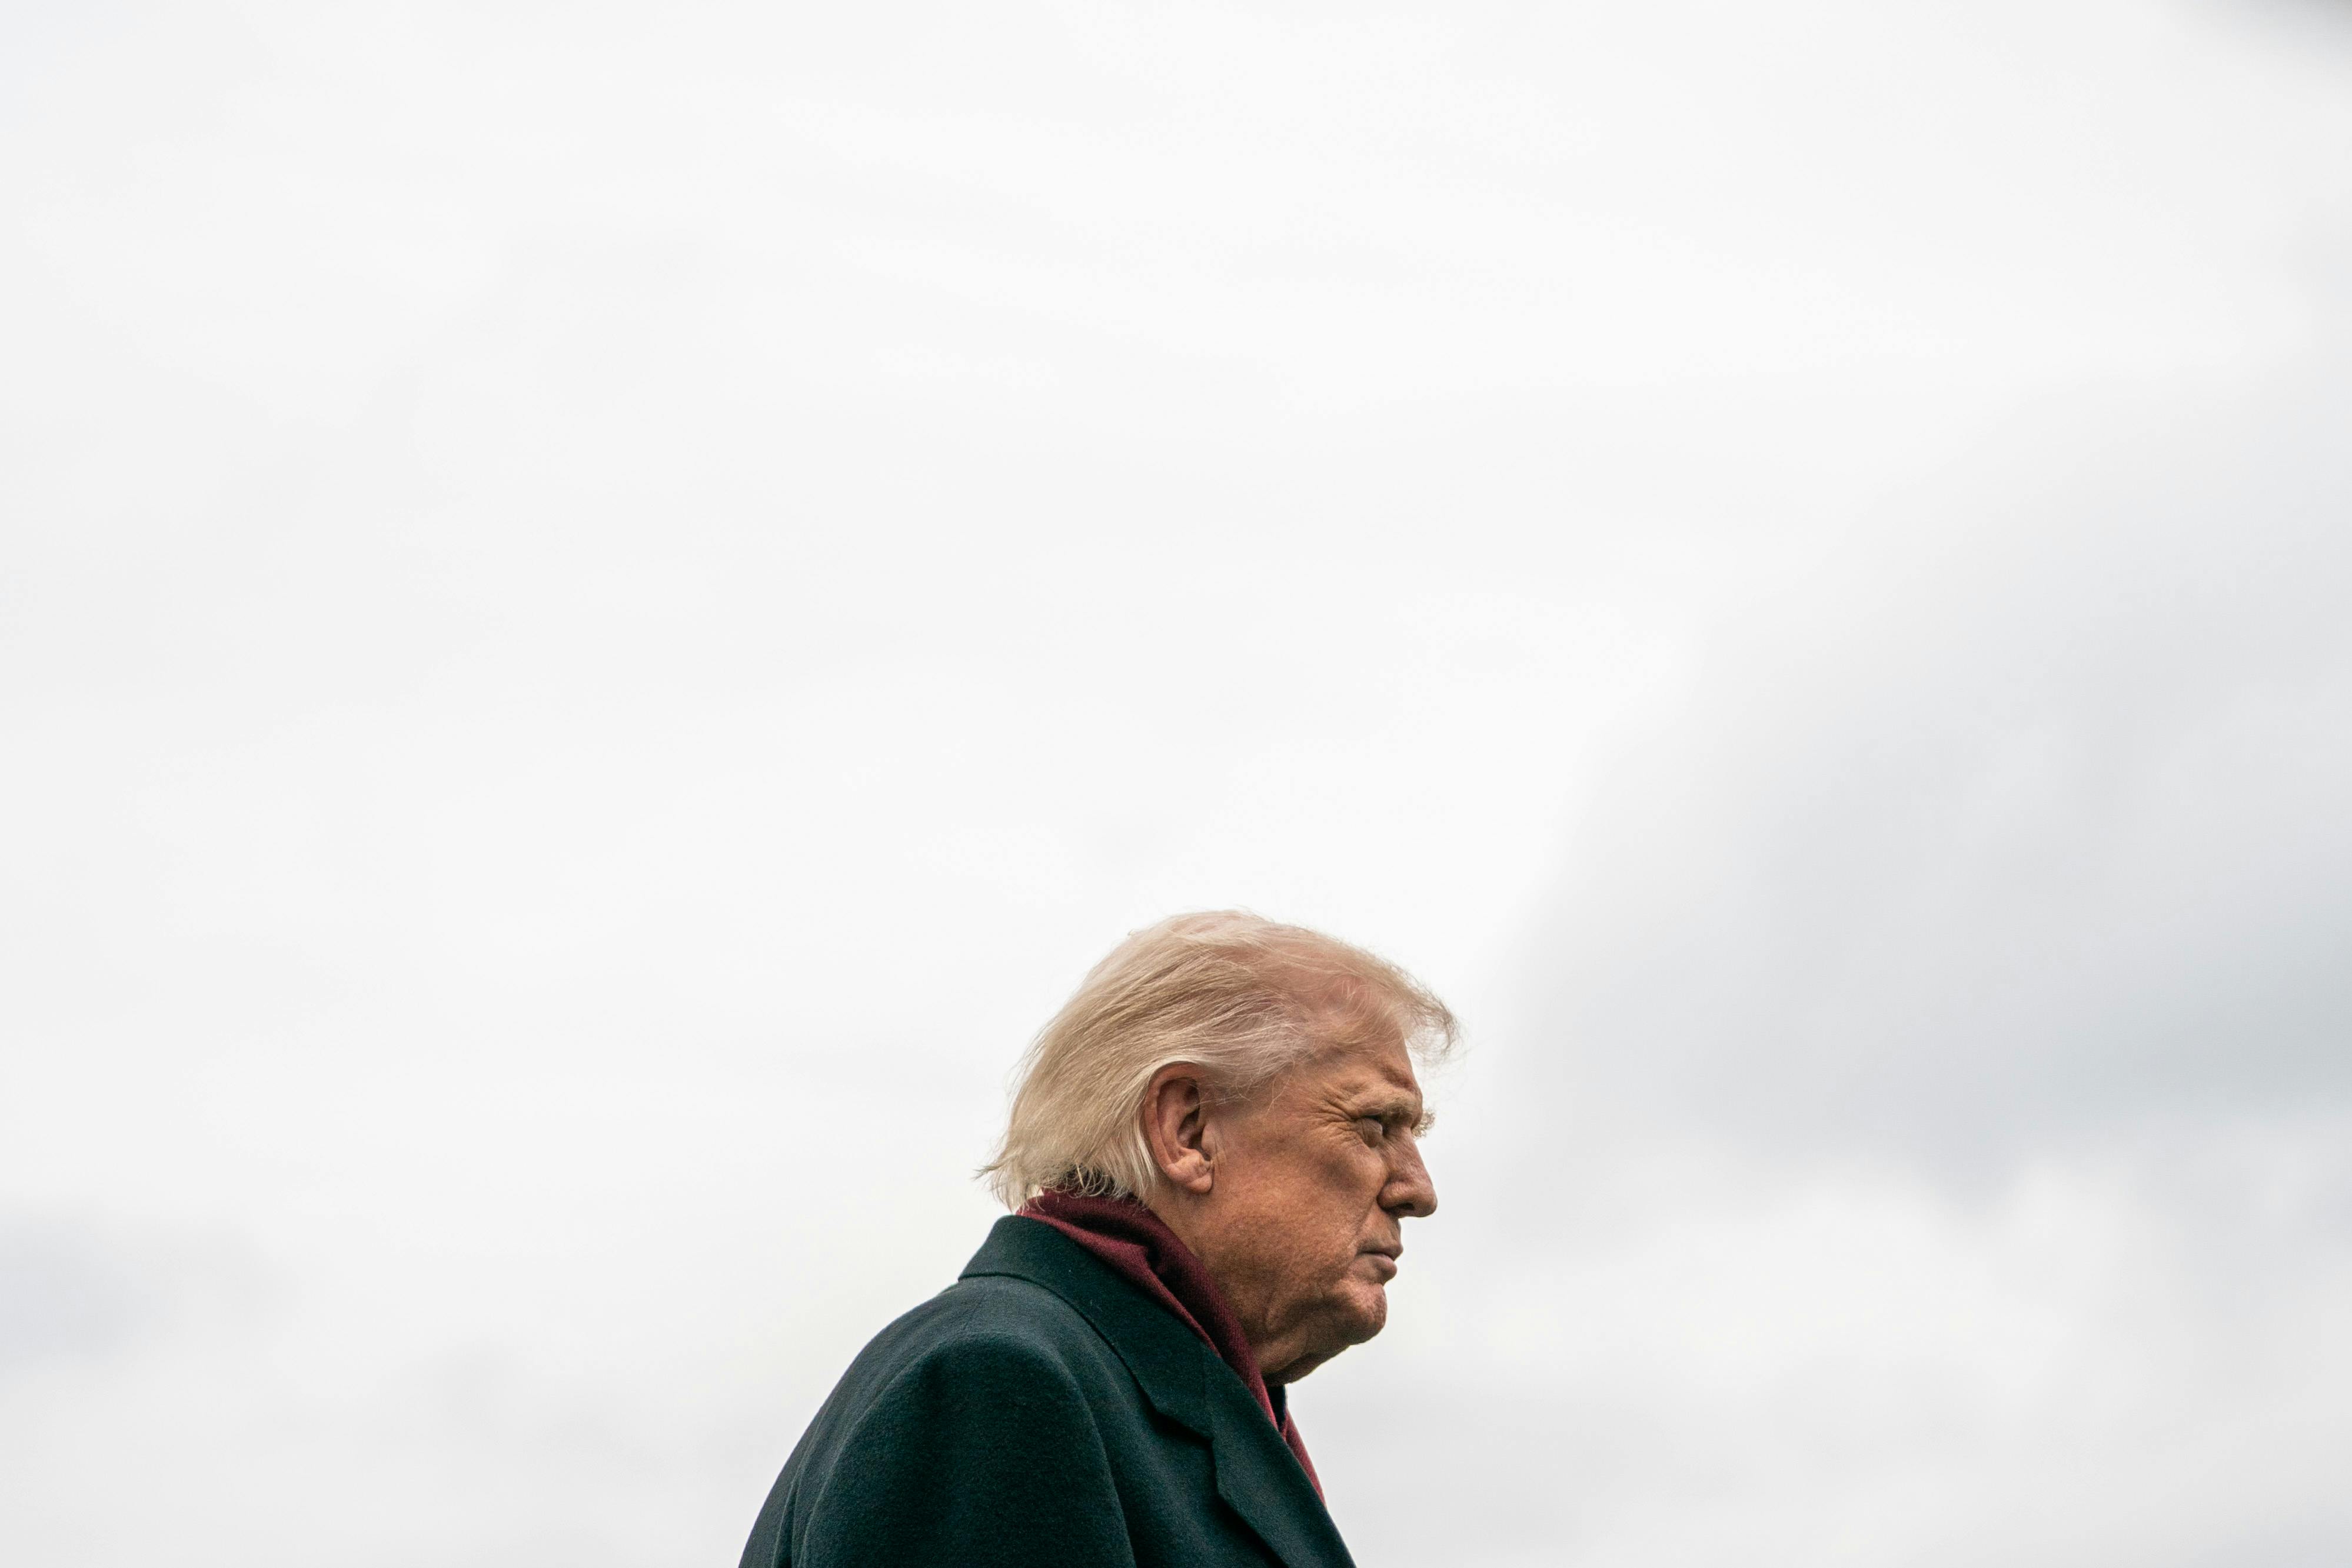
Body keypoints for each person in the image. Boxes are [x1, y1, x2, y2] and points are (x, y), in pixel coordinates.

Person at [737, 910, 1456, 1568]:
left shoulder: (1117, 1390)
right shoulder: (1001, 1383)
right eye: (1374, 1126)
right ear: (1189, 1130)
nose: (1416, 1190)